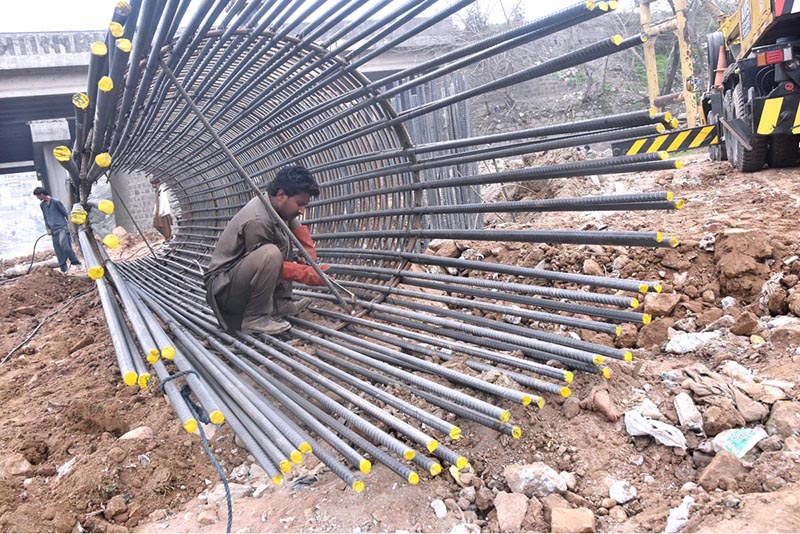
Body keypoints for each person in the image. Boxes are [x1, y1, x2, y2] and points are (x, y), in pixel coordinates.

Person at [204, 166, 329, 335]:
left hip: (238, 279)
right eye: (300, 204)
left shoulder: (275, 207)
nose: (302, 210)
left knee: (282, 239)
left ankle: (280, 304)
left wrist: (309, 255)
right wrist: (307, 273)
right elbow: (269, 263)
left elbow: (295, 226)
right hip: (224, 291)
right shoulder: (258, 220)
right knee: (270, 253)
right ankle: (254, 318)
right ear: (281, 194)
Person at [33, 187, 82, 273]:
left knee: (65, 246)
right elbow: (45, 217)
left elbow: (66, 214)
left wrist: (71, 227)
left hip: (62, 228)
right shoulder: (42, 205)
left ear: (41, 194)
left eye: (37, 196)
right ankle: (64, 269)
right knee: (58, 250)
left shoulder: (56, 202)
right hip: (53, 231)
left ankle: (76, 262)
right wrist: (48, 228)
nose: (37, 198)